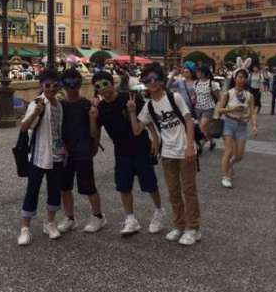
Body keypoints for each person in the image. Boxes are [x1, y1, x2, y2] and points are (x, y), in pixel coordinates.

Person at [128, 62, 201, 246]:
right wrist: (132, 112)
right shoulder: (149, 106)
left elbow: (188, 121)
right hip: (167, 153)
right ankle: (179, 225)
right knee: (173, 191)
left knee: (189, 190)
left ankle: (193, 228)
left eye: (155, 78)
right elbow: (137, 130)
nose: (151, 82)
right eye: (147, 79)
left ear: (161, 80)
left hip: (184, 150)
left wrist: (190, 146)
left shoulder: (174, 97)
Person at [89, 71, 164, 236]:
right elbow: (95, 134)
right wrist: (93, 119)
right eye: (98, 86)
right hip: (121, 150)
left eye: (105, 84)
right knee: (123, 186)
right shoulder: (100, 108)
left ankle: (159, 211)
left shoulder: (130, 97)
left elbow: (147, 119)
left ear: (113, 83)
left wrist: (155, 139)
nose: (103, 88)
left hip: (141, 146)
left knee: (149, 183)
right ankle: (130, 219)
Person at [17, 69, 65, 246]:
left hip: (57, 154)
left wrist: (63, 151)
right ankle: (25, 228)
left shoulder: (59, 104)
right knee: (32, 190)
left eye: (55, 85)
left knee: (54, 189)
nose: (51, 88)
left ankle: (50, 223)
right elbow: (24, 127)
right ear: (42, 85)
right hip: (39, 154)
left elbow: (58, 131)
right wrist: (35, 113)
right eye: (48, 85)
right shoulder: (37, 102)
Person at [57, 68, 106, 234]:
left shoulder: (86, 105)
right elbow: (55, 130)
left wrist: (94, 145)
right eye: (68, 84)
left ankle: (98, 216)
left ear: (79, 84)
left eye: (75, 83)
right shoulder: (60, 105)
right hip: (64, 152)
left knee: (88, 186)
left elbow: (94, 132)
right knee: (64, 187)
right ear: (63, 85)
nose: (72, 87)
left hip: (83, 150)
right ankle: (69, 218)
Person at [217, 67, 257, 189]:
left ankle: (229, 165)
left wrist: (254, 125)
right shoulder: (228, 93)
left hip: (242, 126)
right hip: (228, 123)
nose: (242, 79)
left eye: (244, 77)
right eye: (240, 77)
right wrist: (232, 109)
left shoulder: (249, 95)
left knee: (239, 155)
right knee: (229, 151)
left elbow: (252, 112)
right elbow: (220, 110)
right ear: (235, 78)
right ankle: (226, 176)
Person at [194, 65, 220, 151]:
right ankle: (212, 141)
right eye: (197, 71)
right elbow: (195, 95)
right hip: (198, 108)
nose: (197, 73)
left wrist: (218, 111)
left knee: (202, 126)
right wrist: (193, 98)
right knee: (204, 129)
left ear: (204, 73)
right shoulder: (196, 83)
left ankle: (200, 145)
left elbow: (219, 98)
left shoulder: (212, 84)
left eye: (198, 72)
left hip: (209, 108)